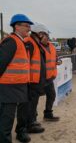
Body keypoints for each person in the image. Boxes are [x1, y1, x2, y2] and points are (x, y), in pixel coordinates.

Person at [0, 14, 33, 143]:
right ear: (16, 26)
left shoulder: (20, 42)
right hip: (8, 87)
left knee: (8, 118)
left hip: (16, 86)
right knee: (6, 119)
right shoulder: (11, 41)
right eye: (26, 25)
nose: (29, 29)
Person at [25, 23, 48, 134]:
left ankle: (32, 121)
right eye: (44, 34)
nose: (45, 36)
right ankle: (30, 125)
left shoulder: (35, 43)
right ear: (39, 33)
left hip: (36, 80)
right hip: (32, 81)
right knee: (31, 103)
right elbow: (26, 63)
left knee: (33, 103)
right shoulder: (30, 43)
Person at [39, 28, 61, 122]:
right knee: (34, 100)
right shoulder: (37, 47)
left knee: (52, 95)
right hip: (39, 78)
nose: (47, 38)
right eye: (45, 36)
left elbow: (55, 57)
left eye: (47, 36)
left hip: (49, 77)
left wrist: (57, 61)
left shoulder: (51, 46)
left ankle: (48, 114)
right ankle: (32, 120)